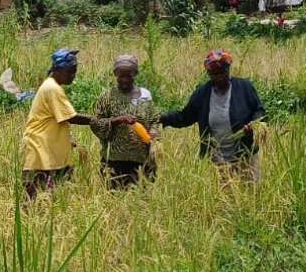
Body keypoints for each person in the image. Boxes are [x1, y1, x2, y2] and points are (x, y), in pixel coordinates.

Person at [161, 49, 266, 183]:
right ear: (209, 74)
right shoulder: (203, 93)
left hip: (245, 155)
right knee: (221, 199)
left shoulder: (244, 87)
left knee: (250, 194)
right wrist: (163, 118)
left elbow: (259, 110)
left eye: (222, 72)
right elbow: (184, 117)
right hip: (216, 160)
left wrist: (253, 124)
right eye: (214, 74)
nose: (219, 76)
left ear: (228, 70)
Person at [23, 49, 106, 198]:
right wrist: (97, 120)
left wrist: (69, 138)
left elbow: (56, 118)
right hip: (42, 148)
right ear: (58, 70)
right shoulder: (52, 88)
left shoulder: (51, 86)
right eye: (70, 71)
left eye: (75, 71)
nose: (73, 76)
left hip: (50, 148)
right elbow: (71, 117)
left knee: (55, 192)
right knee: (36, 195)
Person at [90, 54, 159, 189]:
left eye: (129, 75)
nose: (125, 80)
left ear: (136, 74)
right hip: (115, 160)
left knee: (141, 201)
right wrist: (117, 120)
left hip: (141, 159)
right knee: (114, 200)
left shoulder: (145, 96)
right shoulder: (107, 96)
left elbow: (154, 119)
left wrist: (154, 133)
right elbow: (95, 123)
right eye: (121, 76)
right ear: (115, 74)